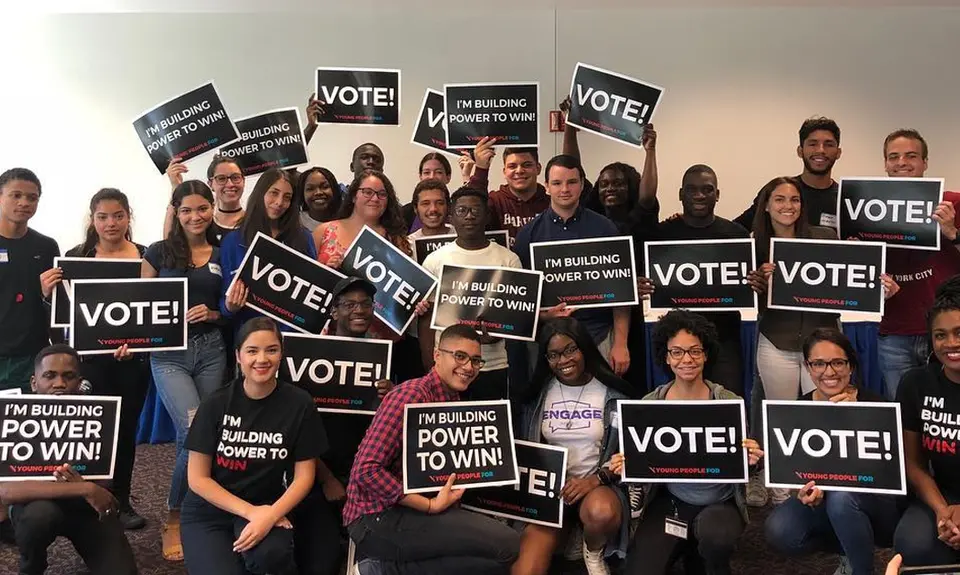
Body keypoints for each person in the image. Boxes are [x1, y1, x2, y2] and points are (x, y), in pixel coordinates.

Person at [343, 324, 521, 574]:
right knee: (507, 545)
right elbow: (366, 470)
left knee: (495, 559)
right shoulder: (411, 396)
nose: (469, 367)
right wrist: (429, 507)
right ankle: (378, 568)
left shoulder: (452, 399)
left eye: (476, 360)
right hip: (377, 517)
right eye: (460, 356)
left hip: (416, 511)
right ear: (437, 354)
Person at [612, 309, 763, 575]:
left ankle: (704, 552)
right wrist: (626, 464)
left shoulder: (728, 402)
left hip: (719, 503)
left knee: (716, 538)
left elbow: (743, 465)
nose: (687, 360)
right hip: (671, 502)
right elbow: (642, 467)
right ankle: (687, 545)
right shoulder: (651, 405)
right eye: (677, 352)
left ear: (706, 354)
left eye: (695, 351)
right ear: (666, 357)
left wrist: (752, 461)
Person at [180, 317, 325, 575]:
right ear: (238, 356)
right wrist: (252, 513)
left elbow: (304, 477)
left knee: (271, 556)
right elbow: (197, 479)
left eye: (271, 350)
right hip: (210, 510)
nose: (262, 359)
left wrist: (269, 516)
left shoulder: (300, 403)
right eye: (252, 351)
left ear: (281, 354)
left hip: (268, 503)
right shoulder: (216, 403)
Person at [764, 328, 900, 575]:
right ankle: (849, 548)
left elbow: (889, 476)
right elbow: (795, 475)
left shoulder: (878, 407)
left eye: (838, 362)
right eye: (819, 363)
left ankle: (862, 569)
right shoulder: (797, 411)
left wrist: (856, 417)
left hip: (875, 504)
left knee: (842, 497)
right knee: (781, 529)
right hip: (824, 502)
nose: (829, 372)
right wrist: (802, 492)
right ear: (808, 367)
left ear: (851, 366)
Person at [142, 180, 228, 560]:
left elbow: (235, 308)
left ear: (212, 208)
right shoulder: (158, 252)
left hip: (212, 350)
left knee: (206, 433)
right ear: (176, 213)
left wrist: (214, 313)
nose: (195, 216)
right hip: (169, 355)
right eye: (187, 210)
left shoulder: (227, 252)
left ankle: (200, 509)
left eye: (202, 208)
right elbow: (140, 309)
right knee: (191, 433)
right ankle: (175, 515)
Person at [0, 344, 139, 575]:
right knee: (39, 516)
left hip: (86, 511)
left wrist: (85, 490)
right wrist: (83, 487)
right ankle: (31, 566)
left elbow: (105, 490)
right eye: (49, 375)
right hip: (38, 510)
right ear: (34, 383)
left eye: (69, 376)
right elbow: (6, 491)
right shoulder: (15, 415)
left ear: (80, 382)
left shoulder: (100, 414)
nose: (59, 384)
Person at [512, 317, 635, 575]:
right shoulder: (536, 397)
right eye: (554, 355)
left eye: (570, 350)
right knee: (525, 570)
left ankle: (593, 549)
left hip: (598, 486)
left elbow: (630, 455)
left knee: (600, 513)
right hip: (552, 492)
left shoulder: (613, 395)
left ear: (584, 348)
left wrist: (597, 478)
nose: (564, 360)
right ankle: (567, 532)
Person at [61, 188, 149, 530]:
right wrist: (45, 292)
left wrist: (137, 343)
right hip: (91, 363)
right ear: (92, 219)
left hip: (132, 363)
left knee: (125, 433)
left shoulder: (146, 257)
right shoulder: (76, 256)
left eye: (118, 215)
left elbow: (152, 311)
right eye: (103, 216)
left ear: (129, 217)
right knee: (92, 432)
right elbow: (61, 314)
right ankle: (85, 497)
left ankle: (121, 501)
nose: (111, 223)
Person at [514, 155, 632, 382]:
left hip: (599, 336)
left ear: (582, 184)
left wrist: (620, 343)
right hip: (548, 341)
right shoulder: (528, 235)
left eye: (572, 182)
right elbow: (521, 300)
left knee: (603, 406)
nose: (565, 189)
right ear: (546, 187)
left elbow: (621, 293)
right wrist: (545, 315)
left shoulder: (605, 228)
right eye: (557, 183)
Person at [646, 164, 750, 397]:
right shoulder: (661, 234)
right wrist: (643, 285)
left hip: (725, 339)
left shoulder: (737, 235)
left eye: (707, 189)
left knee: (728, 407)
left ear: (718, 194)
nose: (699, 195)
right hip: (678, 342)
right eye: (692, 190)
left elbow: (750, 285)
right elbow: (647, 279)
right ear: (681, 194)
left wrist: (755, 284)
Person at [313, 170, 423, 382]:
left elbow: (406, 292)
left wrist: (416, 305)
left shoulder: (397, 239)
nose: (375, 198)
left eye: (382, 194)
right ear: (354, 195)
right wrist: (327, 269)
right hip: (337, 340)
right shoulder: (324, 231)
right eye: (368, 192)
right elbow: (310, 284)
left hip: (386, 343)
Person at [877, 129, 960, 399]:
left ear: (925, 162)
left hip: (948, 331)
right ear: (886, 164)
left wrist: (953, 233)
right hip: (895, 333)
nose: (902, 162)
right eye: (894, 157)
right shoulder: (867, 208)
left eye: (911, 156)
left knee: (948, 415)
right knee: (903, 417)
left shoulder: (953, 202)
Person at [420, 186, 522, 401]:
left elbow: (516, 318)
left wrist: (497, 334)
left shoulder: (508, 260)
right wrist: (430, 364)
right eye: (462, 211)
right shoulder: (435, 260)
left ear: (487, 216)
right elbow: (426, 319)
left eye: (475, 211)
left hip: (493, 364)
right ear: (451, 217)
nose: (469, 216)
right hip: (447, 369)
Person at [893, 275, 960, 566]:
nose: (951, 343)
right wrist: (942, 510)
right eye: (940, 335)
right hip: (943, 492)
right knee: (911, 543)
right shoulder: (916, 383)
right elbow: (913, 462)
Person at [220, 168, 317, 332]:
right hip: (250, 338)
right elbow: (223, 302)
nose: (279, 202)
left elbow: (312, 291)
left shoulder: (303, 238)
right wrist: (229, 306)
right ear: (260, 193)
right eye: (274, 193)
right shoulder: (233, 241)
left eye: (287, 197)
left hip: (293, 336)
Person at [0, 168, 60, 394]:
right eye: (16, 195)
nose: (24, 202)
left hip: (33, 357)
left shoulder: (46, 246)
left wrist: (47, 294)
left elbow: (56, 306)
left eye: (32, 198)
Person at [734, 117, 842, 231]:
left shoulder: (848, 201)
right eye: (813, 144)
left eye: (828, 144)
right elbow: (737, 231)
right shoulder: (778, 191)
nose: (821, 150)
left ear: (838, 153)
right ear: (800, 151)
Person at [466, 138, 549, 245]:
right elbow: (472, 210)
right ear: (504, 172)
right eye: (512, 166)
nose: (519, 171)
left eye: (527, 165)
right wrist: (481, 169)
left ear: (538, 169)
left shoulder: (551, 205)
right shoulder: (494, 201)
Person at [165, 155, 247, 245]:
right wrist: (176, 188)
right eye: (221, 178)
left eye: (235, 177)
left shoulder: (254, 221)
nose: (230, 184)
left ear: (243, 181)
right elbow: (169, 244)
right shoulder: (201, 221)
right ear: (210, 184)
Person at [403, 152, 454, 232]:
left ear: (448, 177)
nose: (432, 177)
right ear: (420, 176)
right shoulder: (405, 213)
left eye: (438, 172)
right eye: (427, 172)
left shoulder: (456, 211)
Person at [406, 178, 453, 251]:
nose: (433, 209)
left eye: (439, 203)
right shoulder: (408, 245)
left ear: (448, 206)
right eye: (426, 203)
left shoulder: (463, 237)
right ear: (415, 208)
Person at [297, 166, 342, 232]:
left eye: (325, 187)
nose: (318, 192)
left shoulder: (347, 219)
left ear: (334, 189)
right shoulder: (295, 222)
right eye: (310, 189)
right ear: (302, 194)